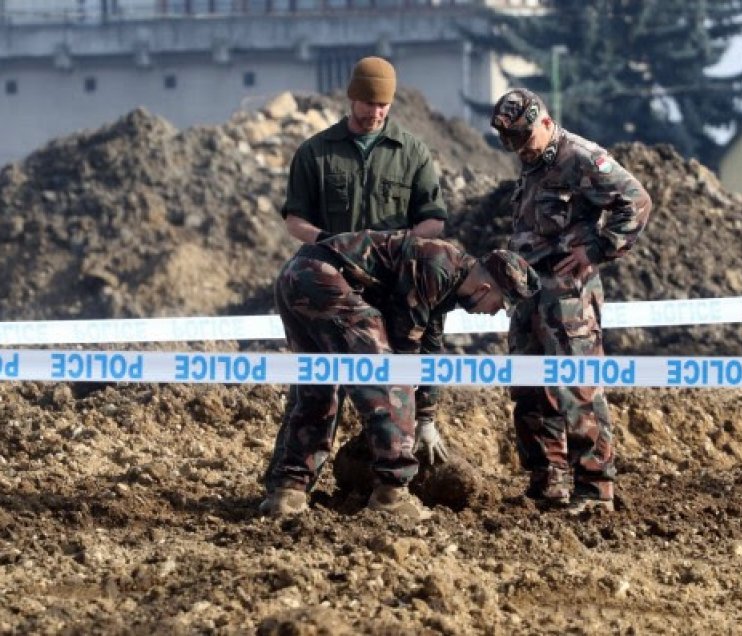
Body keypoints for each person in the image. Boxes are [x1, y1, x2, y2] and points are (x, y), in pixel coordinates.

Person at [263, 56, 450, 499]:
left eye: (383, 104)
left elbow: (433, 221)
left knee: (388, 380)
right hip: (327, 288)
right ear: (351, 98)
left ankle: (388, 482)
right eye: (367, 102)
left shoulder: (413, 152)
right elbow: (295, 219)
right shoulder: (316, 152)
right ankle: (289, 488)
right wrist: (329, 243)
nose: (375, 112)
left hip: (387, 289)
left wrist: (400, 250)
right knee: (316, 388)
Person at [260, 229, 540, 519]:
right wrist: (402, 417)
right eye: (500, 303)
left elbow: (429, 353)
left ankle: (287, 492)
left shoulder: (446, 277)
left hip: (298, 274)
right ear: (484, 287)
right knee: (390, 379)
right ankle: (391, 495)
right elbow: (403, 359)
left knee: (318, 386)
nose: (494, 313)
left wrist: (426, 419)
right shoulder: (436, 266)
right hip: (324, 278)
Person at [490, 88, 653, 514]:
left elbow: (635, 201)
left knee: (576, 388)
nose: (520, 151)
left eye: (525, 140)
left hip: (568, 299)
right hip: (528, 293)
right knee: (528, 388)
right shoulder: (531, 162)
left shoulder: (579, 157)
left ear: (544, 121)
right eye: (513, 144)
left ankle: (594, 487)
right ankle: (549, 480)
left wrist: (597, 251)